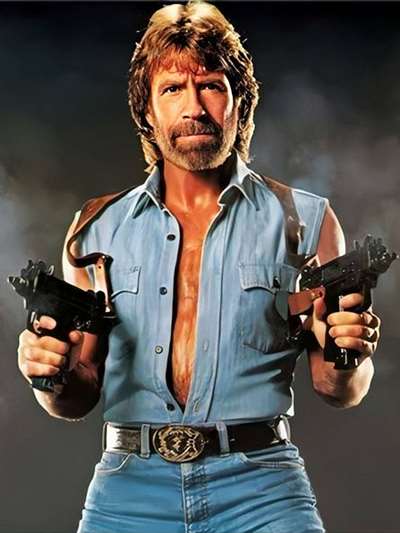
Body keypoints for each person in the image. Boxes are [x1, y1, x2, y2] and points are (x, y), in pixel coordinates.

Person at [17, 2, 381, 532]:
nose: (194, 107)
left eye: (211, 85)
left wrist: (350, 353)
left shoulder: (306, 221)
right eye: (172, 89)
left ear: (240, 102)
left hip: (262, 489)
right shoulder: (94, 230)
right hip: (129, 491)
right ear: (146, 110)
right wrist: (48, 374)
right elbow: (78, 397)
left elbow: (337, 388)